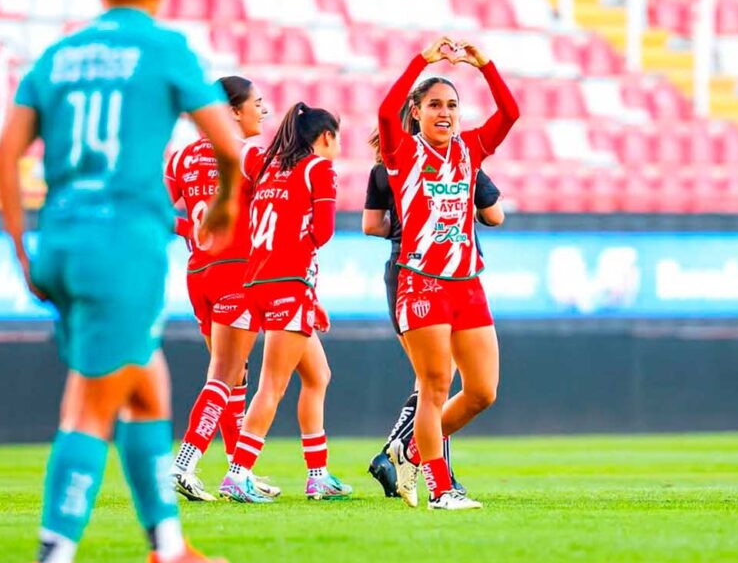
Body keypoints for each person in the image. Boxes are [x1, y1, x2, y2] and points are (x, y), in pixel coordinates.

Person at [0, 0, 240, 561]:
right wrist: (225, 206)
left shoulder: (58, 54)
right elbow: (228, 143)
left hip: (61, 242)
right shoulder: (162, 47)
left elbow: (4, 152)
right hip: (122, 247)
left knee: (146, 388)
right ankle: (55, 552)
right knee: (90, 404)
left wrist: (22, 245)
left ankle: (169, 545)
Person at [166, 80, 336, 504]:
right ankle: (185, 463)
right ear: (232, 112)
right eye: (256, 104)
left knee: (235, 374)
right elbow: (281, 210)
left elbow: (156, 209)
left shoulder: (182, 159)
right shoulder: (247, 157)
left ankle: (238, 468)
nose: (263, 112)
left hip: (199, 271)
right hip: (241, 274)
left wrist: (192, 230)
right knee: (226, 373)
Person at [376, 37, 519, 510]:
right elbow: (385, 108)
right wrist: (423, 60)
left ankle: (411, 449)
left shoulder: (471, 149)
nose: (445, 112)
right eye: (434, 104)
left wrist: (484, 63)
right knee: (434, 386)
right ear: (415, 112)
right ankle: (441, 488)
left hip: (467, 284)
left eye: (452, 105)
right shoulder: (401, 153)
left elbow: (510, 113)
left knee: (483, 391)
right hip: (421, 281)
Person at [218, 102, 352, 503]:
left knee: (317, 375)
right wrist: (300, 282)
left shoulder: (267, 165)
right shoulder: (319, 168)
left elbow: (236, 147)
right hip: (287, 285)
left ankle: (318, 475)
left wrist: (310, 297)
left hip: (259, 281)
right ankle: (237, 475)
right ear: (326, 137)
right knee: (272, 385)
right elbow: (323, 233)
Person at [363, 158, 506, 498]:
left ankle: (408, 451)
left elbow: (371, 225)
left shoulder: (386, 168)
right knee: (437, 383)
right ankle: (432, 473)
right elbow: (495, 215)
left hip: (401, 273)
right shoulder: (461, 160)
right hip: (440, 273)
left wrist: (405, 229)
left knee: (432, 381)